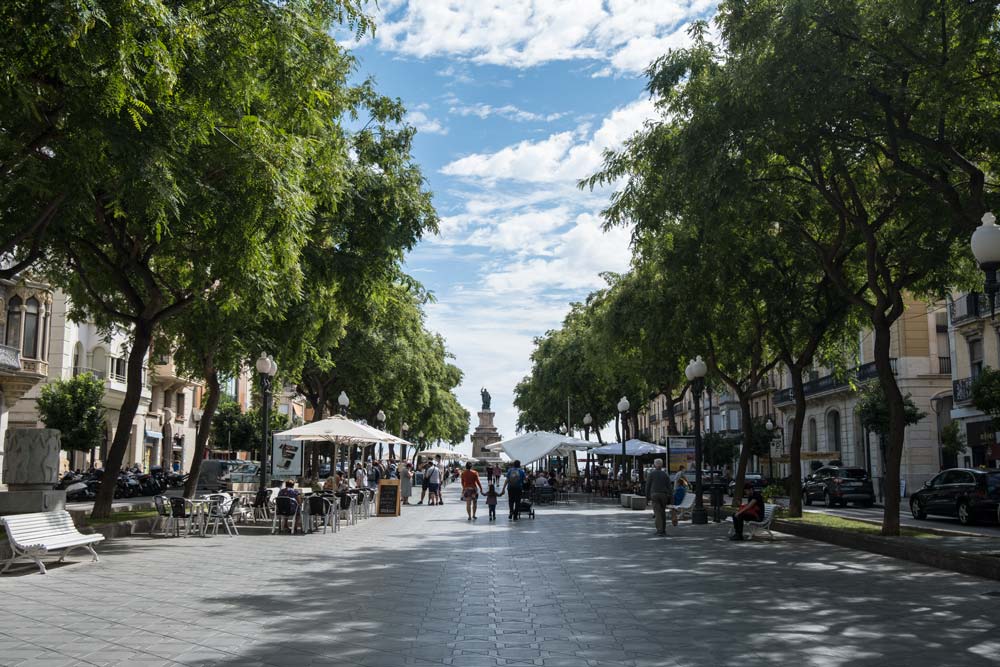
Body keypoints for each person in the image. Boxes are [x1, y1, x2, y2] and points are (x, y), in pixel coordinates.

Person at [644, 459, 672, 536]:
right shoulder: (665, 474)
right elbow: (669, 486)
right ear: (662, 465)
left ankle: (659, 530)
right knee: (662, 512)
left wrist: (647, 497)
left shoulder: (651, 474)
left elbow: (648, 486)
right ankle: (663, 529)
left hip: (654, 495)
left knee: (657, 513)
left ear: (654, 465)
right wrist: (671, 497)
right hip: (664, 495)